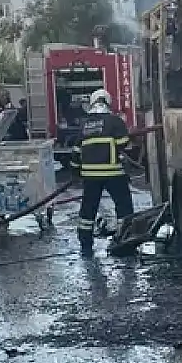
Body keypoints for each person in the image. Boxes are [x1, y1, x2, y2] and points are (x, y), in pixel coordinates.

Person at [73, 87, 134, 254]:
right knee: (123, 206)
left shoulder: (84, 124)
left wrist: (76, 172)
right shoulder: (115, 121)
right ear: (108, 103)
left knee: (88, 209)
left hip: (90, 176)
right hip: (113, 173)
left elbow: (76, 151)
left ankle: (86, 244)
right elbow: (124, 142)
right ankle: (125, 240)